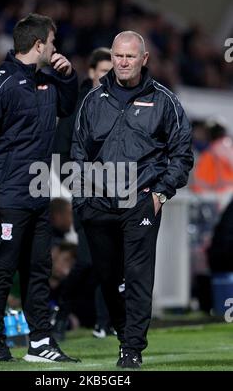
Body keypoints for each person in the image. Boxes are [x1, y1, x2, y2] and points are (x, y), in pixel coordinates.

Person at [71, 31, 194, 369]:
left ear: (144, 59)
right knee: (108, 277)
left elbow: (182, 154)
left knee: (138, 276)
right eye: (118, 56)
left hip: (141, 200)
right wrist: (82, 197)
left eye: (129, 56)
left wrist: (160, 193)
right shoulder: (93, 99)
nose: (123, 62)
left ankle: (132, 348)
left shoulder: (165, 101)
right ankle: (124, 333)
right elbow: (78, 152)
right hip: (97, 203)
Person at [0, 13, 79, 363]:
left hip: (37, 194)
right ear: (39, 44)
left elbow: (67, 105)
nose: (56, 48)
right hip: (7, 195)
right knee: (1, 268)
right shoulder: (0, 81)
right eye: (53, 41)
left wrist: (69, 76)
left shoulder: (46, 81)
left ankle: (40, 342)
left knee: (38, 269)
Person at [52, 49, 115, 341]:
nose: (107, 76)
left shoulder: (119, 104)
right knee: (88, 260)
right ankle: (60, 309)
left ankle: (106, 322)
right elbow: (59, 152)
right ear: (91, 72)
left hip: (116, 193)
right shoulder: (77, 108)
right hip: (86, 194)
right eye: (102, 71)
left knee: (112, 260)